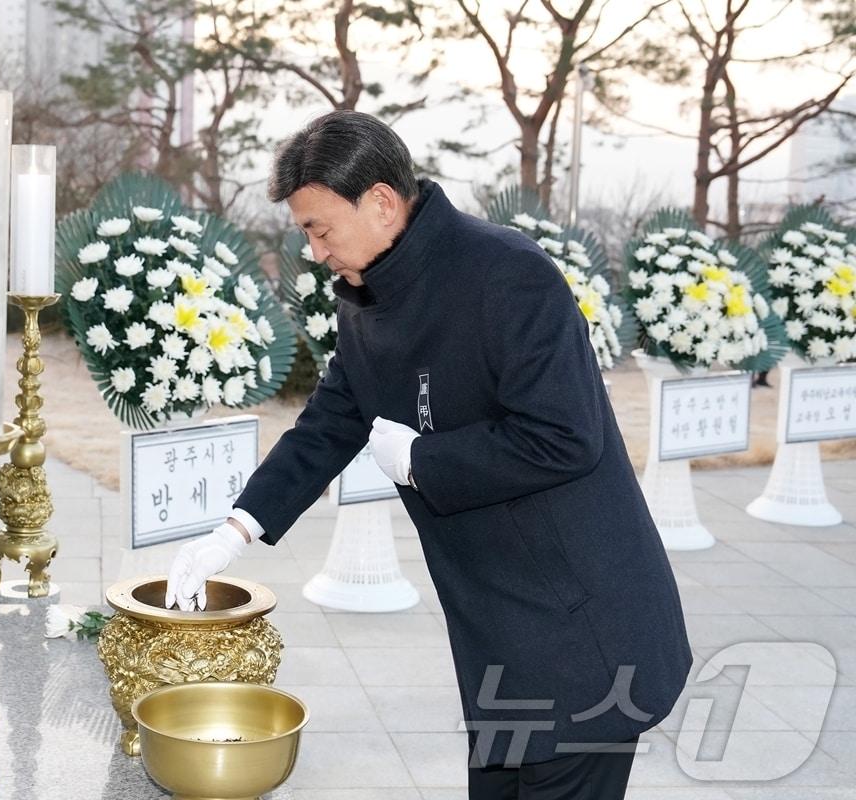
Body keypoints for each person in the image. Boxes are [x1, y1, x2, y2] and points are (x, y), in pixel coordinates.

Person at [164, 110, 693, 798]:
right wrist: (233, 532)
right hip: (500, 628)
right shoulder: (368, 294)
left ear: (381, 202)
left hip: (577, 626)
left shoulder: (507, 275)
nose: (316, 251)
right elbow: (330, 422)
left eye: (319, 229)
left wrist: (422, 461)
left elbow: (565, 436)